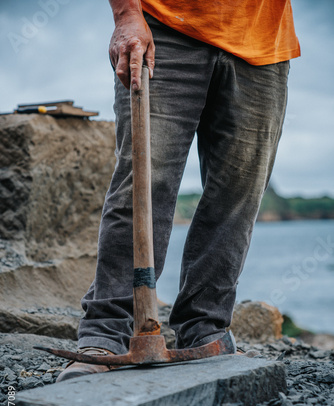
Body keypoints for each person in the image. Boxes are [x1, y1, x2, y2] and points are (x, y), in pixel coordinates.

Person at [57, 0, 300, 382]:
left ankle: (205, 330)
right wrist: (126, 15)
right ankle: (106, 334)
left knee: (238, 195)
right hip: (165, 27)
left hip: (262, 44)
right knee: (142, 183)